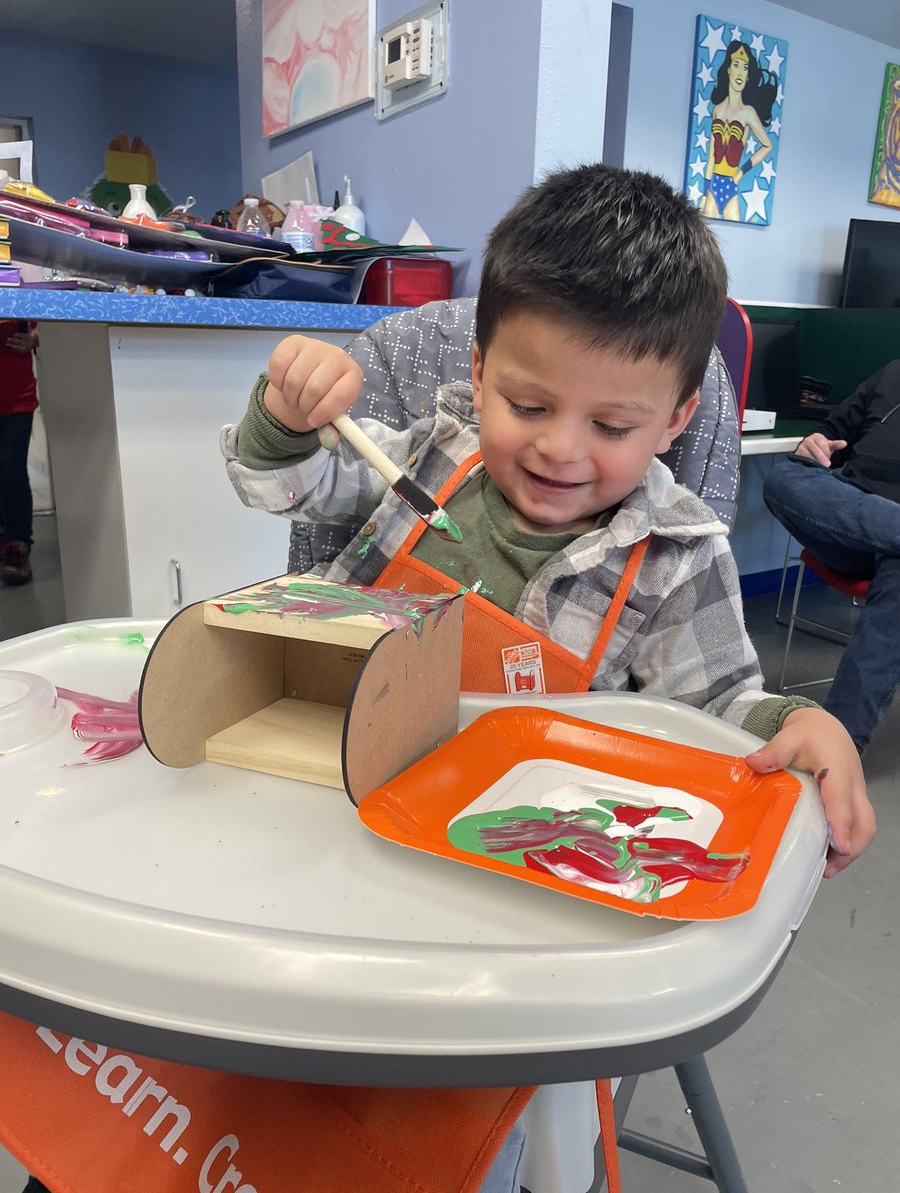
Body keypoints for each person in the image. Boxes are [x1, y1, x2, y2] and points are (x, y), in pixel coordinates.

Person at [218, 163, 873, 1191]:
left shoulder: (678, 553)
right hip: (322, 818)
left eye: (613, 427)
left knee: (462, 1135)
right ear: (479, 374)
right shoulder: (433, 453)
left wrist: (797, 723)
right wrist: (291, 412)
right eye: (527, 404)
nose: (563, 450)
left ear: (675, 417)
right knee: (242, 1073)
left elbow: (718, 713)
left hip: (504, 900)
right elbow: (277, 478)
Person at [763, 360, 900, 756]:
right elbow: (832, 434)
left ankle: (837, 747)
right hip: (847, 525)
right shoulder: (891, 374)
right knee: (784, 477)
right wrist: (816, 442)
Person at [701, 39, 779, 221]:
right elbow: (712, 154)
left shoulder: (748, 113)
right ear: (728, 69)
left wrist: (740, 173)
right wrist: (704, 193)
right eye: (736, 65)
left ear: (748, 76)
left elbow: (767, 146)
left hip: (731, 183)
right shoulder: (718, 110)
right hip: (714, 184)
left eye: (745, 68)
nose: (740, 72)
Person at [0, 319, 39, 587]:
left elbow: (50, 321)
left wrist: (36, 339)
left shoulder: (17, 276)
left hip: (16, 396)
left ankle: (18, 545)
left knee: (11, 470)